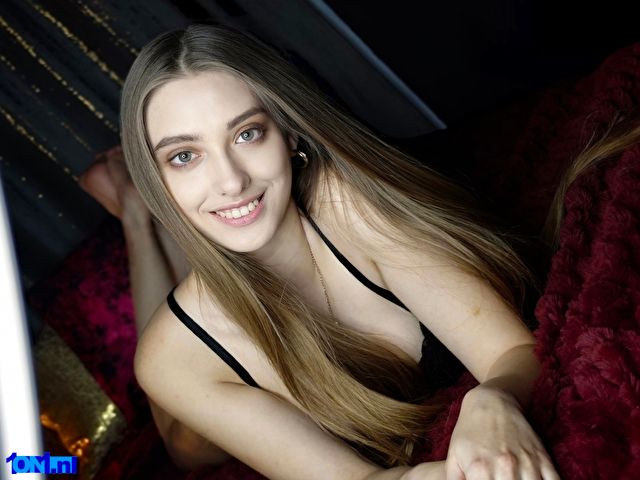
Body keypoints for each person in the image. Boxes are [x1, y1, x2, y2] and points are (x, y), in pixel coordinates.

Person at [85, 23, 560, 479]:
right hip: (194, 357)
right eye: (184, 156)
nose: (231, 179)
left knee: (224, 215)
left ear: (288, 132)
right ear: (157, 179)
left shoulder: (347, 205)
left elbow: (512, 352)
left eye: (247, 133)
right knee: (182, 442)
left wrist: (491, 399)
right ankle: (137, 219)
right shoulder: (171, 358)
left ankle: (154, 212)